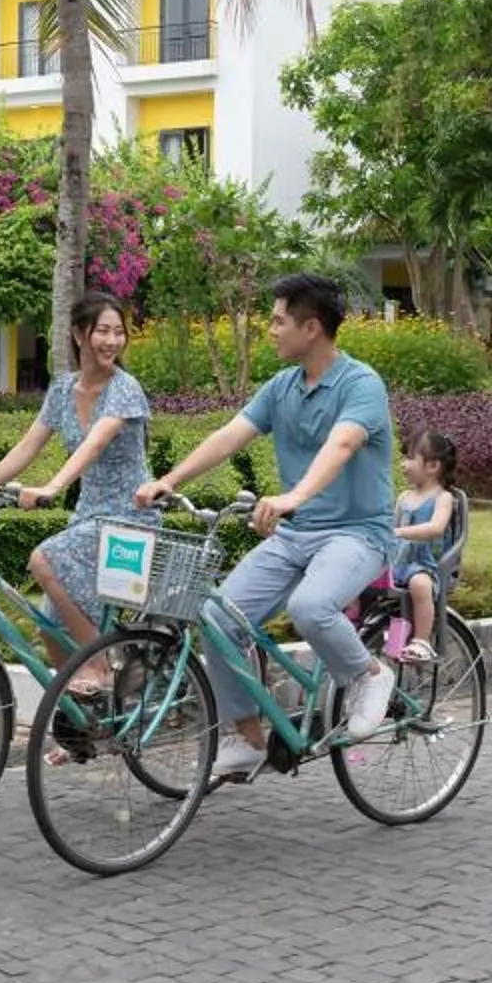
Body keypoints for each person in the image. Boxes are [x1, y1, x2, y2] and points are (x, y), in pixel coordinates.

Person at [135, 272, 398, 783]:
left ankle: (368, 674)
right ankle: (249, 738)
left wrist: (294, 496)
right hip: (297, 536)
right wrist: (168, 479)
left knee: (310, 606)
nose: (270, 330)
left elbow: (341, 447)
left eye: (279, 321)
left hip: (357, 533)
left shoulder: (360, 384)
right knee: (216, 616)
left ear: (312, 327)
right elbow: (230, 436)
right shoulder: (283, 387)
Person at [0, 296, 149, 688]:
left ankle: (100, 667)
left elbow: (95, 443)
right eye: (103, 331)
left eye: (119, 332)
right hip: (89, 515)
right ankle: (80, 721)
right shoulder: (63, 389)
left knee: (43, 560)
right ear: (79, 334)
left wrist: (53, 486)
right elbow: (27, 446)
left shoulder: (125, 388)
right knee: (49, 622)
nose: (112, 341)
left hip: (128, 517)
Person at [385, 430, 462, 664]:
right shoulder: (404, 498)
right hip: (399, 562)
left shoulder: (443, 498)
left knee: (420, 585)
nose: (403, 464)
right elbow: (391, 526)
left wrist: (399, 532)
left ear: (432, 466)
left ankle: (422, 641)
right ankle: (358, 621)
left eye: (409, 458)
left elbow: (436, 528)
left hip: (427, 565)